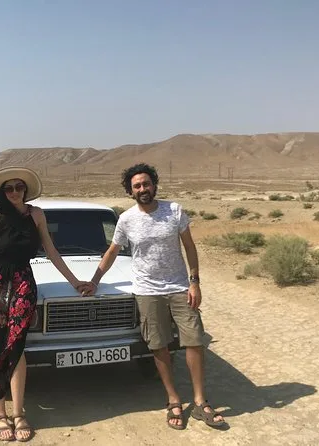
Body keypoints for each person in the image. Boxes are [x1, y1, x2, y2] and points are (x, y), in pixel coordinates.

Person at [84, 163, 226, 430]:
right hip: (147, 291)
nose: (142, 189)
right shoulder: (126, 219)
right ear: (130, 191)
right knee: (158, 345)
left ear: (154, 185)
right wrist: (94, 281)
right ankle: (173, 399)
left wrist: (194, 282)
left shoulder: (174, 210)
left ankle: (199, 401)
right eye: (137, 186)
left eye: (146, 184)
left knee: (194, 340)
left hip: (179, 287)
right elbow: (112, 251)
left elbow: (189, 246)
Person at [0, 166, 92, 441]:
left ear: (25, 189)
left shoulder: (37, 215)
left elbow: (51, 251)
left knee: (16, 346)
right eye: (9, 188)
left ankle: (18, 413)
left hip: (23, 284)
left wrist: (75, 282)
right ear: (3, 193)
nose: (15, 192)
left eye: (19, 187)